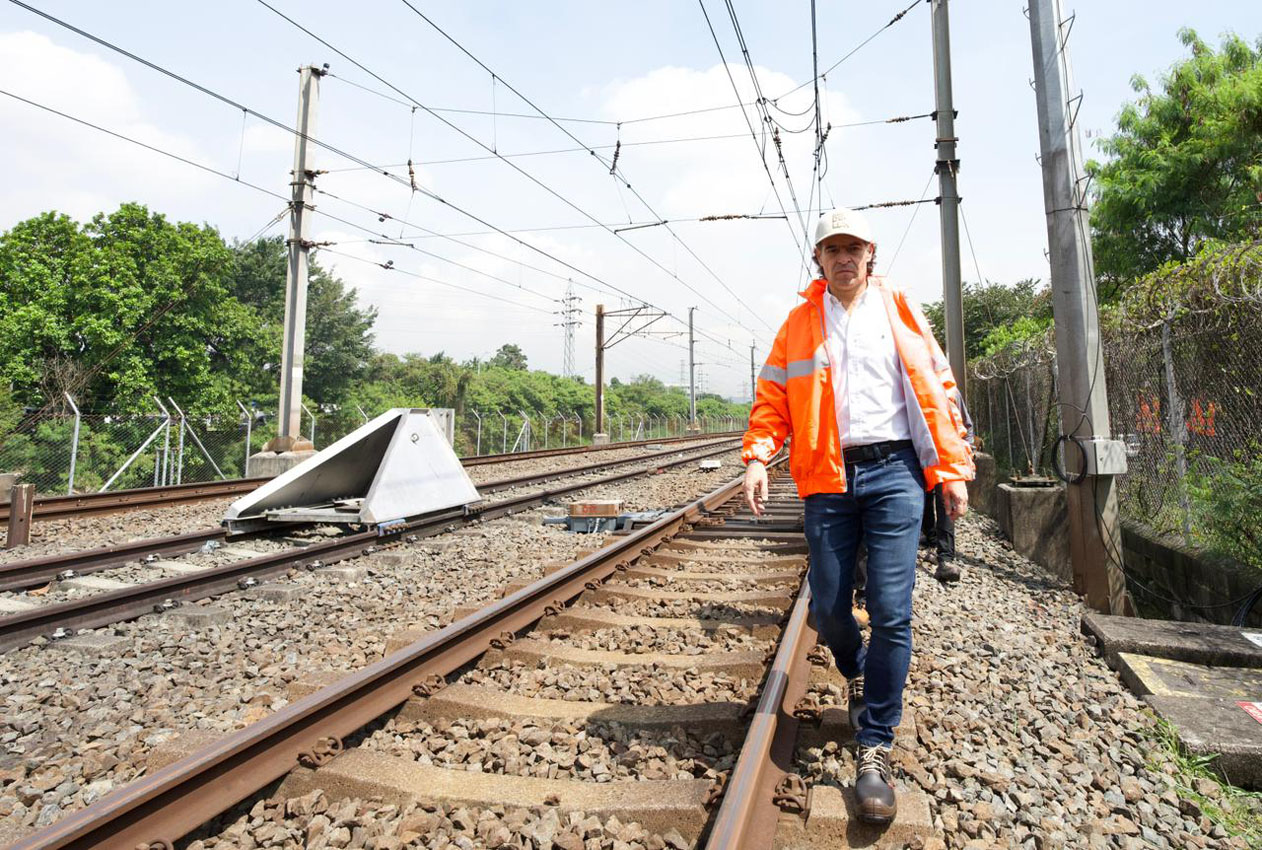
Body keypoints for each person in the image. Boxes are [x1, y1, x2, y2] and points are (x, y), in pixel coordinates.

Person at [742, 208, 974, 824]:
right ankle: (859, 671)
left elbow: (939, 388)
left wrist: (951, 470)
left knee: (893, 611)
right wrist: (758, 456)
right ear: (818, 259)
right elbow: (772, 400)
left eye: (853, 248)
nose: (843, 258)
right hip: (827, 474)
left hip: (896, 471)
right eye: (832, 249)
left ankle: (874, 746)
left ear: (871, 253)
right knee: (827, 609)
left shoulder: (899, 308)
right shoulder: (798, 324)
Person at [922, 391, 974, 583]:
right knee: (924, 499)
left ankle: (945, 558)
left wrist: (968, 453)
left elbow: (966, 425)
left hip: (945, 457)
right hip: (921, 454)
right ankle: (931, 537)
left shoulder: (949, 390)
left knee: (945, 504)